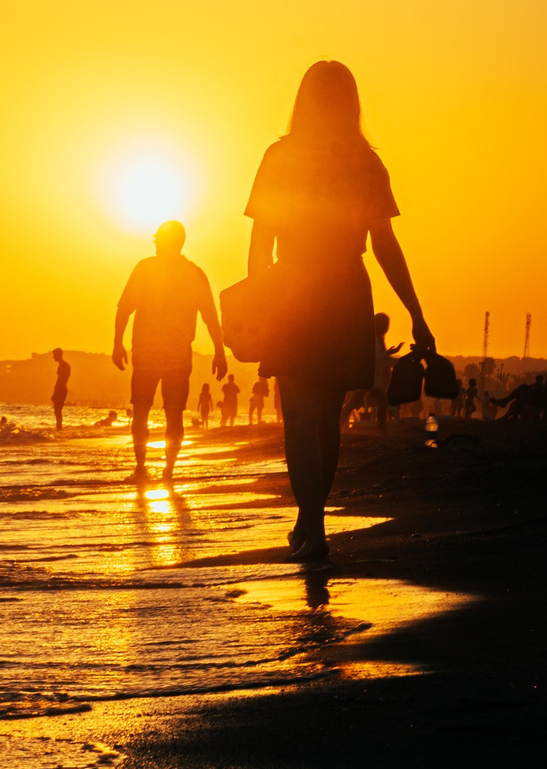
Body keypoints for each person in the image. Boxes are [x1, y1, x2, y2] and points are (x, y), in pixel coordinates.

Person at [245, 61, 431, 560]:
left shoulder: (280, 157)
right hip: (346, 290)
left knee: (300, 419)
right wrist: (415, 312)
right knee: (324, 420)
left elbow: (260, 241)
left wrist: (259, 299)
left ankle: (313, 524)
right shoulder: (364, 162)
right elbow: (386, 245)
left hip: (294, 290)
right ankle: (312, 524)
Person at [113, 220, 225, 481]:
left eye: (158, 239)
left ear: (168, 242)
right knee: (166, 413)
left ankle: (147, 469)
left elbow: (124, 309)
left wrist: (118, 342)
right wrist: (218, 352)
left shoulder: (147, 269)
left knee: (148, 411)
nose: (155, 244)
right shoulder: (192, 273)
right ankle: (163, 471)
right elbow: (211, 318)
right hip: (168, 357)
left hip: (153, 356)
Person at [48, 348, 71, 431]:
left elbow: (60, 380)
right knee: (57, 411)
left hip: (61, 390)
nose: (53, 357)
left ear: (58, 355)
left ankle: (59, 428)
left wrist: (55, 393)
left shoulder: (63, 366)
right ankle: (59, 428)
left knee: (57, 410)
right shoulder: (64, 365)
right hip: (61, 389)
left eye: (54, 355)